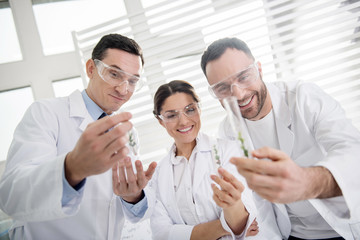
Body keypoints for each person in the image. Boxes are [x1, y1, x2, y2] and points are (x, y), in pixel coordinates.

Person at [200, 37, 360, 239]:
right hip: (295, 234)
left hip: (348, 225)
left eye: (244, 77)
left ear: (259, 69)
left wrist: (307, 183)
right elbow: (259, 207)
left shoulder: (304, 97)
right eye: (223, 88)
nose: (238, 94)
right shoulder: (228, 133)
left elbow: (354, 153)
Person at [0, 34, 157, 239]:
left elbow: (130, 214)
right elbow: (12, 196)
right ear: (91, 69)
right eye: (114, 74)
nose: (123, 89)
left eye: (133, 81)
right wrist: (72, 168)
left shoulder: (127, 132)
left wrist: (133, 196)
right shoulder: (47, 113)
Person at [149, 80, 282, 239]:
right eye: (171, 115)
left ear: (199, 109)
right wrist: (224, 226)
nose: (183, 121)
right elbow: (162, 234)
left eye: (190, 110)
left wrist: (234, 219)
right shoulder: (159, 174)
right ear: (160, 121)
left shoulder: (228, 151)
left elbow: (242, 221)